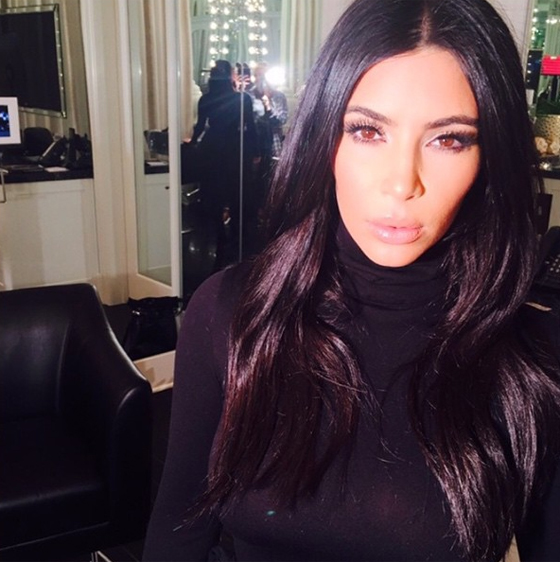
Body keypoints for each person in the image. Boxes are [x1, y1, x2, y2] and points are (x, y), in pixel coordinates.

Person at [143, 1, 560, 560]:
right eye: (367, 131)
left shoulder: (536, 352)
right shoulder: (229, 312)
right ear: (325, 140)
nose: (402, 184)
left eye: (448, 139)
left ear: (489, 157)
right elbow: (179, 527)